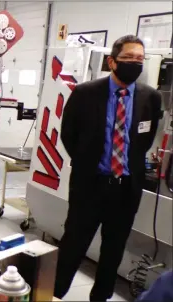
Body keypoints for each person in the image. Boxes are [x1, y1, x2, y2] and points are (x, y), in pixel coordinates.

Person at [54, 35, 162, 301]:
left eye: (140, 59)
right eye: (128, 58)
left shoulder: (151, 97)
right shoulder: (85, 93)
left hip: (127, 188)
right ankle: (53, 293)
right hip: (90, 186)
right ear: (112, 61)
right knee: (73, 246)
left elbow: (144, 139)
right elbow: (69, 134)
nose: (135, 63)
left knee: (113, 250)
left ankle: (99, 297)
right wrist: (88, 163)